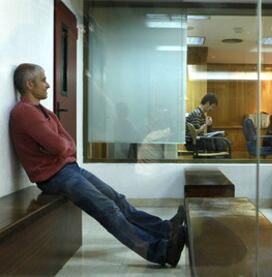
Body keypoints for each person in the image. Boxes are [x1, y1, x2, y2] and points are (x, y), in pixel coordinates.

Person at [9, 63, 185, 267]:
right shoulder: (24, 112)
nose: (48, 85)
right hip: (52, 176)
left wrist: (64, 148)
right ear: (30, 84)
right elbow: (59, 146)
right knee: (108, 209)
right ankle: (161, 252)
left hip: (68, 168)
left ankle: (166, 229)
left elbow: (69, 143)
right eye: (43, 80)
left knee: (118, 200)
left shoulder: (44, 111)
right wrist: (64, 148)